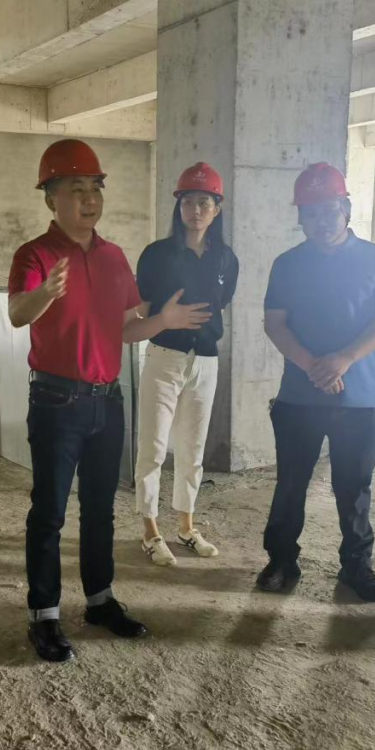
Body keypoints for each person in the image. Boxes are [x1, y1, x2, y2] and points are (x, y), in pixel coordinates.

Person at [9, 139, 209, 663]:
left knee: (100, 510)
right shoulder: (35, 254)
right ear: (50, 197)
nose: (89, 199)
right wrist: (45, 293)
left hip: (107, 401)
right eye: (75, 189)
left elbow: (124, 329)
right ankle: (44, 615)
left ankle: (100, 601)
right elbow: (17, 314)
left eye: (95, 188)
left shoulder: (114, 256)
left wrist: (162, 321)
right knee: (49, 513)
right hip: (55, 401)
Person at [258, 163, 375, 603]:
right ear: (301, 218)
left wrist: (344, 360)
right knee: (291, 483)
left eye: (329, 210)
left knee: (353, 488)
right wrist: (312, 366)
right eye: (311, 213)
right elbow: (275, 323)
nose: (321, 221)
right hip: (298, 397)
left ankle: (356, 566)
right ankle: (281, 560)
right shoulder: (287, 264)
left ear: (346, 209)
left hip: (359, 398)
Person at [133, 162, 238, 565]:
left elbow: (221, 304)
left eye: (205, 203)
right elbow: (141, 311)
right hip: (165, 358)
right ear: (179, 206)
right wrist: (166, 320)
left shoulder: (226, 259)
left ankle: (186, 526)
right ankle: (150, 530)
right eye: (189, 202)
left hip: (205, 361)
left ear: (217, 209)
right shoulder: (157, 255)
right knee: (153, 447)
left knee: (193, 449)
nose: (196, 210)